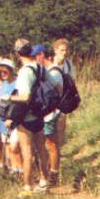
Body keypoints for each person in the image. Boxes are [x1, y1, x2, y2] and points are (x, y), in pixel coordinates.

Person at [3, 40, 50, 194]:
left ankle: (27, 186)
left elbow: (25, 97)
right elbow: (54, 87)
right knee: (42, 149)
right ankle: (44, 182)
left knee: (27, 151)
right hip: (40, 114)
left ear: (17, 54)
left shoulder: (24, 71)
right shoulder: (41, 68)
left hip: (27, 116)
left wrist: (7, 97)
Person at [42, 47, 64, 187]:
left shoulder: (53, 72)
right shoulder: (48, 71)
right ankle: (49, 173)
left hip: (50, 114)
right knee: (47, 143)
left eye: (40, 57)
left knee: (51, 143)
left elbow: (57, 93)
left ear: (48, 57)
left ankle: (53, 175)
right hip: (48, 113)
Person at [0, 58, 23, 176]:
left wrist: (12, 118)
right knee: (8, 147)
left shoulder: (18, 83)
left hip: (15, 122)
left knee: (15, 147)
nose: (2, 74)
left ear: (11, 70)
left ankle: (22, 170)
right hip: (3, 122)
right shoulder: (3, 84)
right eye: (0, 72)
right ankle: (14, 171)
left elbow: (20, 103)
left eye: (5, 71)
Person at [52, 38, 75, 147]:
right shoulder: (49, 64)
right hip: (49, 101)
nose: (64, 53)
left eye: (66, 50)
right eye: (62, 50)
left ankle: (57, 153)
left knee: (61, 127)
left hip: (63, 101)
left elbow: (72, 82)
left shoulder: (69, 64)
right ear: (55, 50)